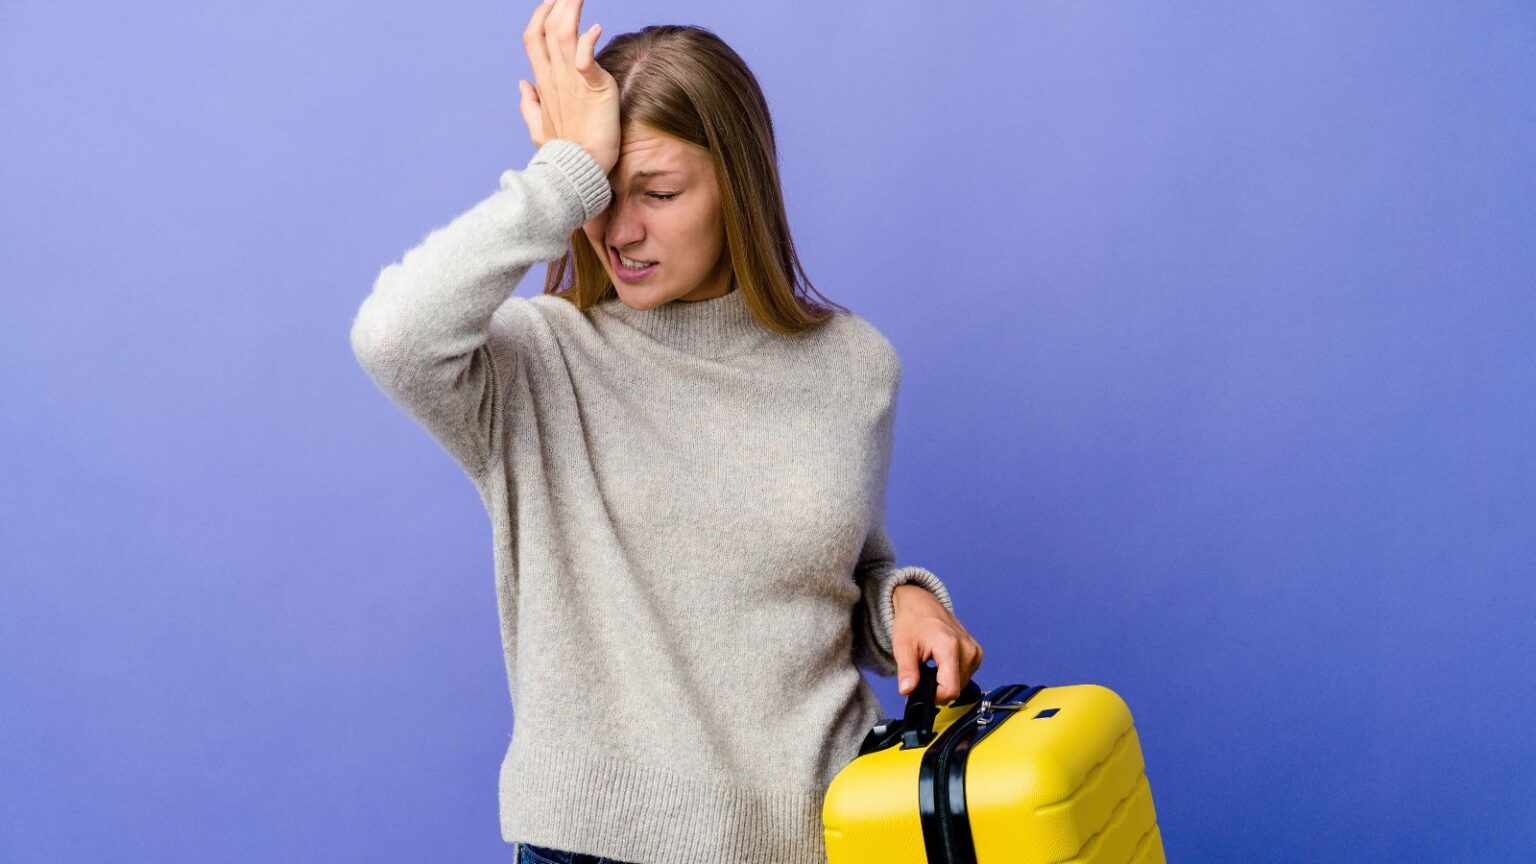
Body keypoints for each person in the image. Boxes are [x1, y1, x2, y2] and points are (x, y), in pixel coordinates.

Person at [348, 0, 985, 861]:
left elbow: (836, 570)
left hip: (826, 836)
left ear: (741, 186)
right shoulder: (538, 364)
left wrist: (902, 598)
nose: (619, 231)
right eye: (604, 195)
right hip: (599, 849)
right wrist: (563, 174)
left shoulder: (853, 366)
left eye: (658, 192)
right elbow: (392, 335)